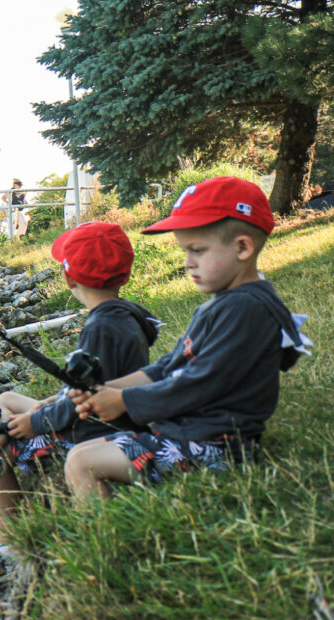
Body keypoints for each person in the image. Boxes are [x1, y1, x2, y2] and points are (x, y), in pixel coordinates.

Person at [0, 221, 162, 587]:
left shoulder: (100, 328)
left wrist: (37, 422)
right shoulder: (127, 316)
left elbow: (89, 403)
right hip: (101, 417)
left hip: (94, 432)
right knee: (5, 400)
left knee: (2, 433)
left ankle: (9, 545)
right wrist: (52, 400)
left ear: (69, 281)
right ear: (124, 275)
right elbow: (99, 383)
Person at [66, 176, 311, 501]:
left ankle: (104, 544)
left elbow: (201, 382)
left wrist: (125, 402)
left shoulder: (246, 309)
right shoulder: (226, 303)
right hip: (193, 433)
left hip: (215, 447)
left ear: (242, 247)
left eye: (197, 250)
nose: (187, 262)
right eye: (185, 251)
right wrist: (109, 390)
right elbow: (169, 365)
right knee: (87, 449)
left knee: (81, 461)